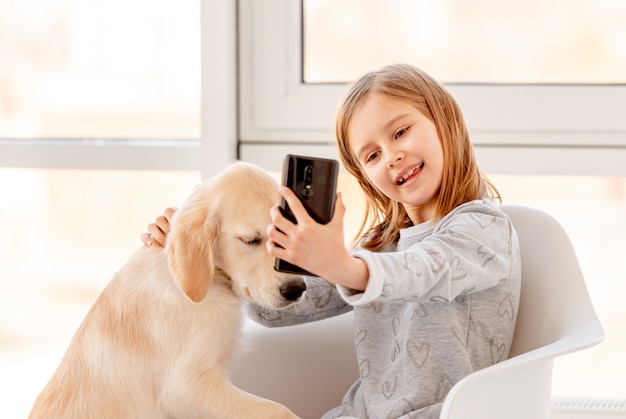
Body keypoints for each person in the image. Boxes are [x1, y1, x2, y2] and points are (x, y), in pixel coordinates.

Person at [143, 63, 521, 419]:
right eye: (372, 155)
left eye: (401, 132)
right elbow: (279, 308)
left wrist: (343, 266)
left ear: (445, 120)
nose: (392, 156)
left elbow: (424, 271)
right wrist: (209, 250)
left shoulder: (483, 228)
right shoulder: (383, 248)